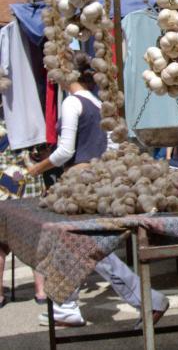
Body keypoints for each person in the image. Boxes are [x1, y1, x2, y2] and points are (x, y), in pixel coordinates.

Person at [26, 52, 169, 327]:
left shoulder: (72, 103)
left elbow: (65, 151)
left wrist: (37, 168)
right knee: (83, 245)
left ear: (67, 73)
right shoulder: (96, 102)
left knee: (88, 246)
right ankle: (69, 305)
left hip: (78, 186)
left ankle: (144, 300)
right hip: (96, 184)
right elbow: (110, 146)